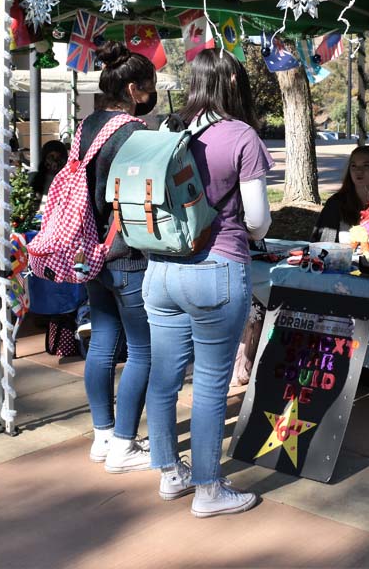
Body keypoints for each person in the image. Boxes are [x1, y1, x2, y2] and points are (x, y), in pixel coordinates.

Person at [143, 48, 273, 518]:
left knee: (164, 378)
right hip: (216, 270)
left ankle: (169, 473)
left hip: (160, 271)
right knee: (212, 385)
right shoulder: (241, 136)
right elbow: (256, 221)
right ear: (234, 84)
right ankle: (209, 489)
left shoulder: (168, 131)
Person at [80, 41, 159, 473]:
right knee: (143, 350)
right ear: (132, 89)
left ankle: (103, 436)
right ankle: (125, 444)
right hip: (127, 254)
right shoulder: (133, 133)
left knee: (104, 343)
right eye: (149, 87)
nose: (151, 95)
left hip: (91, 250)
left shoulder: (86, 125)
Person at [311, 145, 369, 244]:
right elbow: (321, 245)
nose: (359, 171)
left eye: (366, 165)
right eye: (354, 165)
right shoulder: (335, 203)